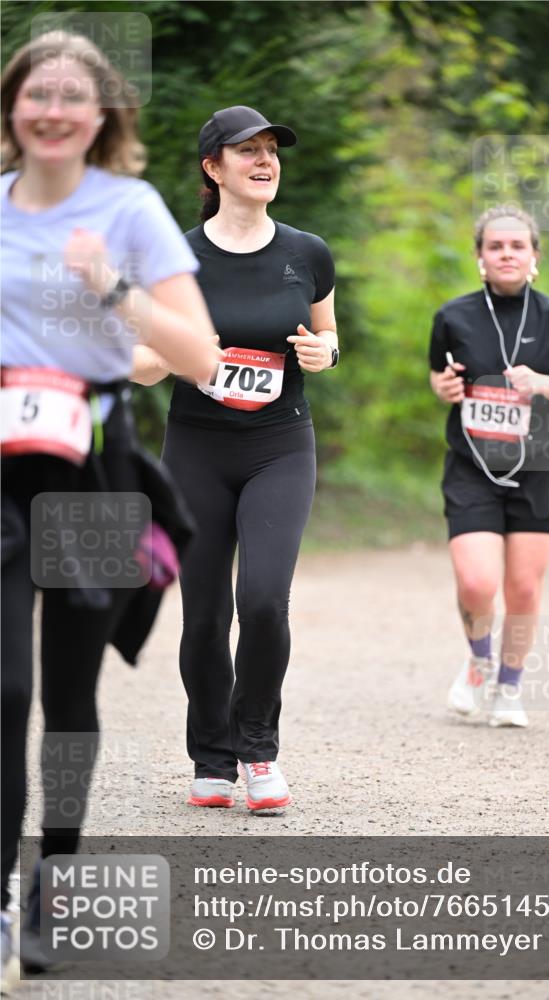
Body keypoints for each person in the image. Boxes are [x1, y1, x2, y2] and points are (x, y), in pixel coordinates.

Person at [0, 31, 219, 984]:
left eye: (70, 96)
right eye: (34, 93)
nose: (51, 109)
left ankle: (58, 876)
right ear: (13, 108)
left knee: (71, 693)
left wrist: (112, 287)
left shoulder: (131, 210)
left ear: (101, 117)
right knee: (6, 688)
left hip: (90, 465)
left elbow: (202, 356)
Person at [138, 106, 338, 813]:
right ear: (211, 167)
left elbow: (325, 337)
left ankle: (257, 751)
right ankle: (211, 758)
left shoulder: (307, 252)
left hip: (279, 446)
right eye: (245, 151)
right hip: (195, 445)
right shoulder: (175, 259)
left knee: (261, 599)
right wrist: (174, 357)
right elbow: (136, 362)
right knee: (202, 613)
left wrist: (325, 351)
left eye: (270, 151)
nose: (263, 161)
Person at [429, 205, 549, 728]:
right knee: (478, 582)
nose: (507, 254)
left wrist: (544, 383)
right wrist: (444, 388)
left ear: (534, 258)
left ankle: (508, 688)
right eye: (496, 247)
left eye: (517, 246)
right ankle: (480, 660)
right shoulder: (453, 317)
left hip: (540, 467)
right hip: (473, 464)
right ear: (481, 257)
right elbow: (442, 381)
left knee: (523, 588)